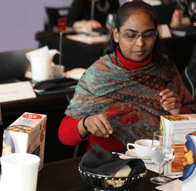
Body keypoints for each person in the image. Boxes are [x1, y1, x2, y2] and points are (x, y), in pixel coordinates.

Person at [59, 1, 196, 153]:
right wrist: (86, 124)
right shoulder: (98, 74)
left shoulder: (166, 69)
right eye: (131, 35)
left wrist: (179, 112)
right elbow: (64, 135)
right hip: (110, 163)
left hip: (159, 160)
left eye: (148, 35)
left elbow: (192, 122)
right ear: (116, 35)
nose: (140, 43)